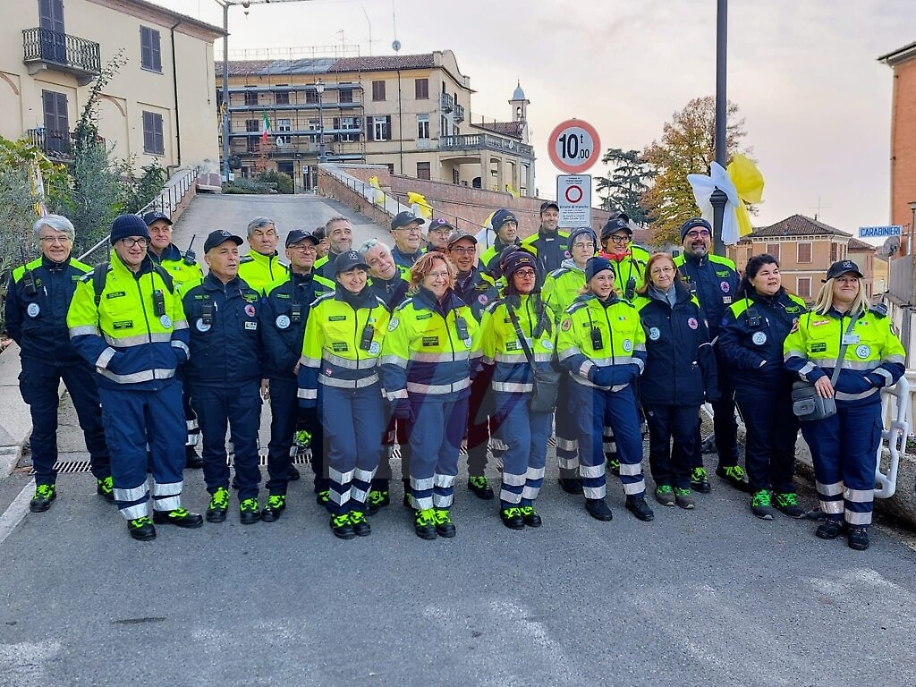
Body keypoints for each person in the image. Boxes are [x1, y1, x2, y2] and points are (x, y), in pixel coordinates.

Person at [67, 214, 201, 541]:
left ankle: (168, 507)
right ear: (116, 244)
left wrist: (178, 353)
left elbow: (181, 324)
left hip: (165, 384)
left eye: (141, 240)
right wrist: (113, 363)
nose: (137, 246)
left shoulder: (164, 279)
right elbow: (81, 332)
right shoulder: (96, 282)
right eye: (130, 241)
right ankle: (137, 514)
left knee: (171, 445)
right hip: (120, 387)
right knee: (128, 449)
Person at [784, 260, 905, 551]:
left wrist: (871, 381)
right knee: (826, 460)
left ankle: (859, 524)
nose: (848, 284)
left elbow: (896, 359)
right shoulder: (810, 319)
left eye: (853, 279)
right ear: (830, 285)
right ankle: (832, 518)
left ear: (860, 285)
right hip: (824, 406)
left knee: (860, 461)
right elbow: (791, 354)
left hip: (863, 405)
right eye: (841, 279)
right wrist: (813, 374)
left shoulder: (876, 320)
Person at [6, 215, 112, 512]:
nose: (57, 244)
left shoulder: (87, 274)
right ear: (39, 243)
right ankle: (45, 483)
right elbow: (13, 321)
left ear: (71, 242)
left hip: (79, 359)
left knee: (93, 419)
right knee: (43, 423)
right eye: (50, 238)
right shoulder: (20, 276)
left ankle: (105, 476)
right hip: (39, 360)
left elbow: (99, 319)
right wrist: (33, 346)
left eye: (62, 238)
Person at [381, 252, 480, 539]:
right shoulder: (407, 312)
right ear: (420, 278)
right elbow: (392, 361)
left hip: (458, 397)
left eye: (444, 273)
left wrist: (471, 372)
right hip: (423, 400)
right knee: (425, 453)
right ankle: (422, 508)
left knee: (449, 454)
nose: (440, 278)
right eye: (434, 274)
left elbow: (474, 348)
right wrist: (398, 398)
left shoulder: (461, 309)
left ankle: (442, 506)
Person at [299, 251, 390, 539]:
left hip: (369, 390)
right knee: (345, 450)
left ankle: (357, 505)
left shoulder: (381, 309)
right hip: (334, 389)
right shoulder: (321, 307)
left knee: (370, 450)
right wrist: (307, 400)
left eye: (361, 272)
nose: (356, 278)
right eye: (349, 272)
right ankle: (339, 509)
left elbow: (387, 356)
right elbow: (311, 356)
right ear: (337, 277)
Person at [556, 256, 653, 522]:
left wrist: (634, 369)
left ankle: (636, 496)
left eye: (610, 277)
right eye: (600, 278)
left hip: (622, 386)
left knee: (631, 437)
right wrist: (593, 372)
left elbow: (640, 344)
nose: (606, 282)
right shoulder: (575, 311)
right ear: (589, 281)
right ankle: (595, 496)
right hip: (588, 387)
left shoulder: (627, 308)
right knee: (590, 440)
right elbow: (566, 349)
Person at [180, 230, 264, 525]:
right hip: (206, 384)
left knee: (246, 442)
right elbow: (181, 341)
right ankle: (217, 491)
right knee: (213, 443)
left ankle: (249, 493)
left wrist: (263, 376)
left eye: (235, 252)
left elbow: (263, 341)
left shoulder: (252, 296)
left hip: (244, 383)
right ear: (208, 259)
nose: (232, 257)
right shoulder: (191, 296)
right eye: (224, 252)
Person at [718, 255, 808, 520]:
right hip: (754, 386)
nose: (772, 277)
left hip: (790, 386)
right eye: (765, 273)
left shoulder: (797, 306)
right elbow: (727, 347)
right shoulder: (738, 310)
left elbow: (811, 338)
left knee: (785, 440)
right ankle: (760, 490)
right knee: (760, 439)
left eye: (776, 271)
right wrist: (758, 362)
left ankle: (784, 489)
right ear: (751, 279)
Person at [634, 253, 718, 510]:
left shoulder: (691, 304)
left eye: (667, 269)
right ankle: (663, 481)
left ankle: (682, 480)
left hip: (688, 384)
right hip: (655, 385)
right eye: (657, 271)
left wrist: (711, 385)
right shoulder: (640, 307)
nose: (663, 275)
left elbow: (704, 347)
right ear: (649, 276)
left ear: (674, 273)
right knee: (659, 437)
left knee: (685, 436)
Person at [479, 251, 556, 528]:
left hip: (541, 394)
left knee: (538, 447)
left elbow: (554, 353)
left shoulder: (546, 311)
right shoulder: (497, 311)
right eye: (520, 272)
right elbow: (484, 356)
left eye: (531, 272)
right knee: (520, 444)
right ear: (510, 276)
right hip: (509, 392)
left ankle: (527, 501)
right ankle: (510, 501)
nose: (526, 277)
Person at [261, 230, 333, 521]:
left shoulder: (329, 288)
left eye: (311, 248)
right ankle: (277, 490)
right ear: (287, 253)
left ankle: (324, 484)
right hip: (285, 375)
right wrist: (292, 363)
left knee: (322, 433)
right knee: (281, 433)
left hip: (320, 376)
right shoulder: (272, 290)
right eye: (299, 247)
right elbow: (268, 334)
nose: (307, 252)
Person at [673, 217, 744, 493]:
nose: (699, 238)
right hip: (688, 353)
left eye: (704, 233)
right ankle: (694, 465)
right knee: (690, 412)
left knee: (726, 411)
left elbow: (742, 305)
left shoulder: (726, 267)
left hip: (723, 351)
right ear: (683, 241)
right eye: (692, 233)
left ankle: (728, 463)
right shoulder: (673, 269)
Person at [143, 211, 205, 469]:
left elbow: (201, 303)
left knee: (187, 401)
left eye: (164, 228)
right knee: (150, 401)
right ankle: (151, 451)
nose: (160, 233)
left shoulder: (189, 267)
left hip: (185, 342)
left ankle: (188, 448)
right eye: (154, 229)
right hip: (150, 345)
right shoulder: (135, 264)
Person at [541, 226, 598, 494]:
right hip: (566, 357)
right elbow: (548, 315)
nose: (585, 248)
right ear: (571, 249)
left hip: (596, 359)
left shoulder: (604, 275)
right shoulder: (557, 277)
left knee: (591, 414)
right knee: (566, 413)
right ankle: (567, 468)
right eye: (580, 244)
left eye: (589, 244)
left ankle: (592, 466)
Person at [359, 238, 412, 509]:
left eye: (383, 255)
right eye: (374, 262)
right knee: (380, 432)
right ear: (367, 270)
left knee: (411, 433)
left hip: (413, 371)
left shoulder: (414, 282)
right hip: (379, 373)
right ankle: (379, 483)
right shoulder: (365, 293)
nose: (382, 263)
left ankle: (412, 486)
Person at [448, 230, 501, 500]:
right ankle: (441, 476)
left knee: (479, 421)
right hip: (445, 367)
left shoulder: (487, 283)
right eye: (459, 249)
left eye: (470, 249)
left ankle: (477, 473)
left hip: (479, 366)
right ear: (449, 253)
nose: (466, 255)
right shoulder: (439, 281)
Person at [597, 215, 650, 476]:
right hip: (607, 340)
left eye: (625, 238)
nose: (621, 243)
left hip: (635, 333)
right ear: (604, 241)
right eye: (615, 238)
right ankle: (612, 455)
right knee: (609, 405)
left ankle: (631, 451)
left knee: (634, 400)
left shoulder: (639, 262)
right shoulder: (597, 264)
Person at [238, 217, 286, 293]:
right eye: (259, 234)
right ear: (249, 240)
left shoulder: (286, 270)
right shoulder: (237, 267)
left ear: (276, 239)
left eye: (269, 233)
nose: (265, 239)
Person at [521, 201, 569, 274]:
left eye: (555, 215)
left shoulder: (569, 240)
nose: (552, 218)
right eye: (548, 215)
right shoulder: (527, 244)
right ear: (541, 217)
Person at [479, 209, 521, 278]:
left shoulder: (528, 249)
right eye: (505, 225)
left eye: (513, 224)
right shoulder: (486, 258)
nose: (511, 228)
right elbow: (481, 285)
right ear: (497, 231)